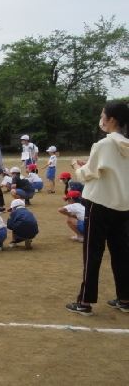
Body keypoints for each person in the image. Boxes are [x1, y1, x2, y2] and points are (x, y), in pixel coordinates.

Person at [66, 100, 129, 316]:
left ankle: (85, 302)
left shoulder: (104, 144)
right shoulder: (125, 144)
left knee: (93, 252)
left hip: (100, 205)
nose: (101, 118)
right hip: (122, 206)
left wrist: (76, 165)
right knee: (121, 253)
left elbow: (87, 175)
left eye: (103, 115)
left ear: (111, 119)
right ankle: (125, 297)